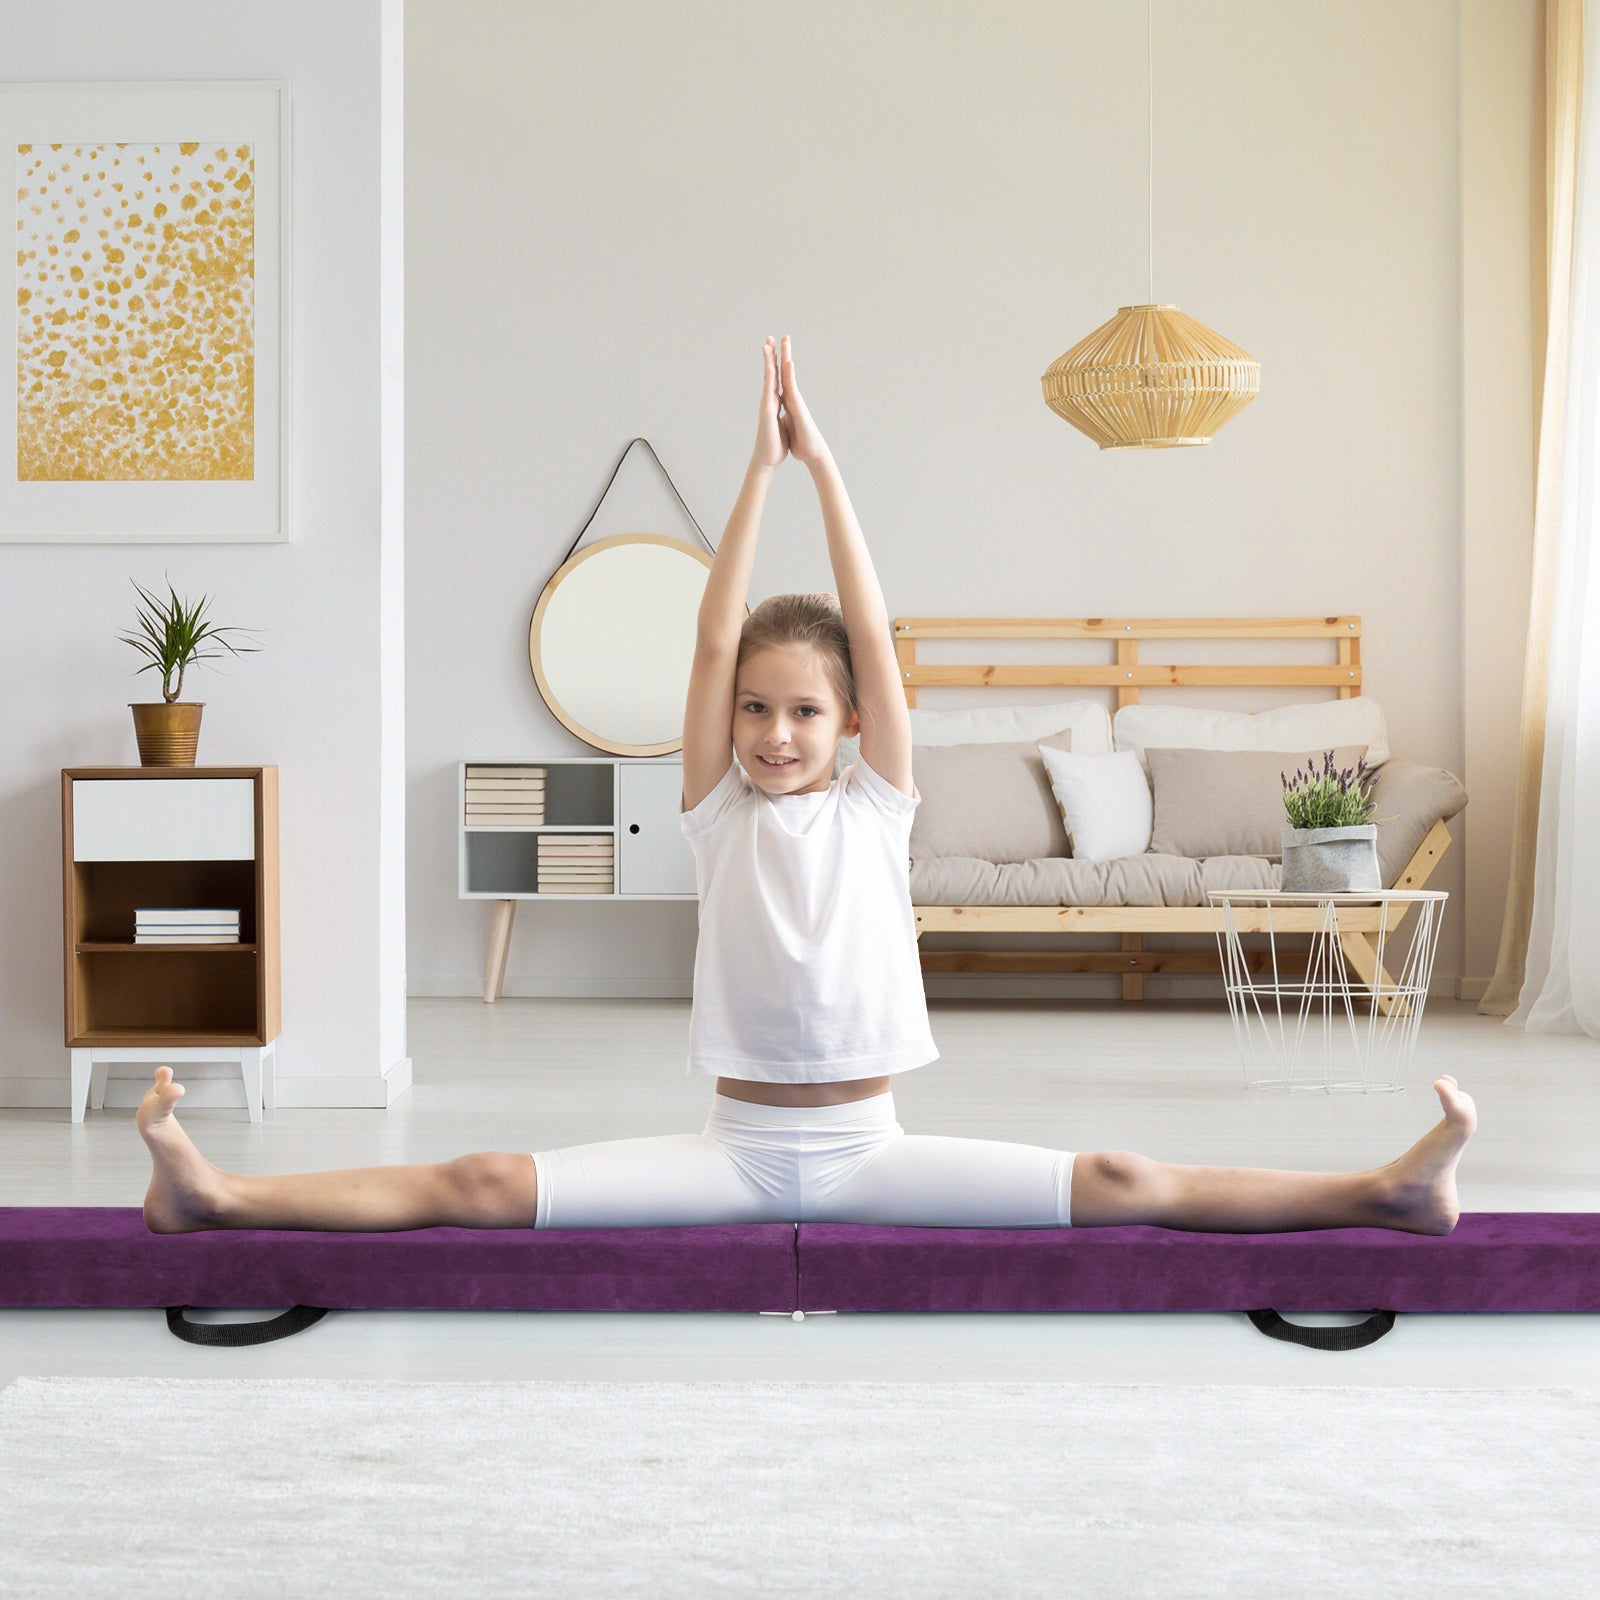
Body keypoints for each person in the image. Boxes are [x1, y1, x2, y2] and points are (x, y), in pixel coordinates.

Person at [136, 334, 1477, 1237]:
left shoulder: (876, 806)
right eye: (757, 712)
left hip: (876, 1151)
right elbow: (713, 640)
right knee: (482, 1179)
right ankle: (216, 1198)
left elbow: (874, 639)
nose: (777, 731)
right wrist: (753, 474)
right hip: (726, 1154)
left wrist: (824, 470)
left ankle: (1380, 1192)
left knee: (1127, 1177)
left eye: (806, 712)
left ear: (849, 725)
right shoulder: (717, 813)